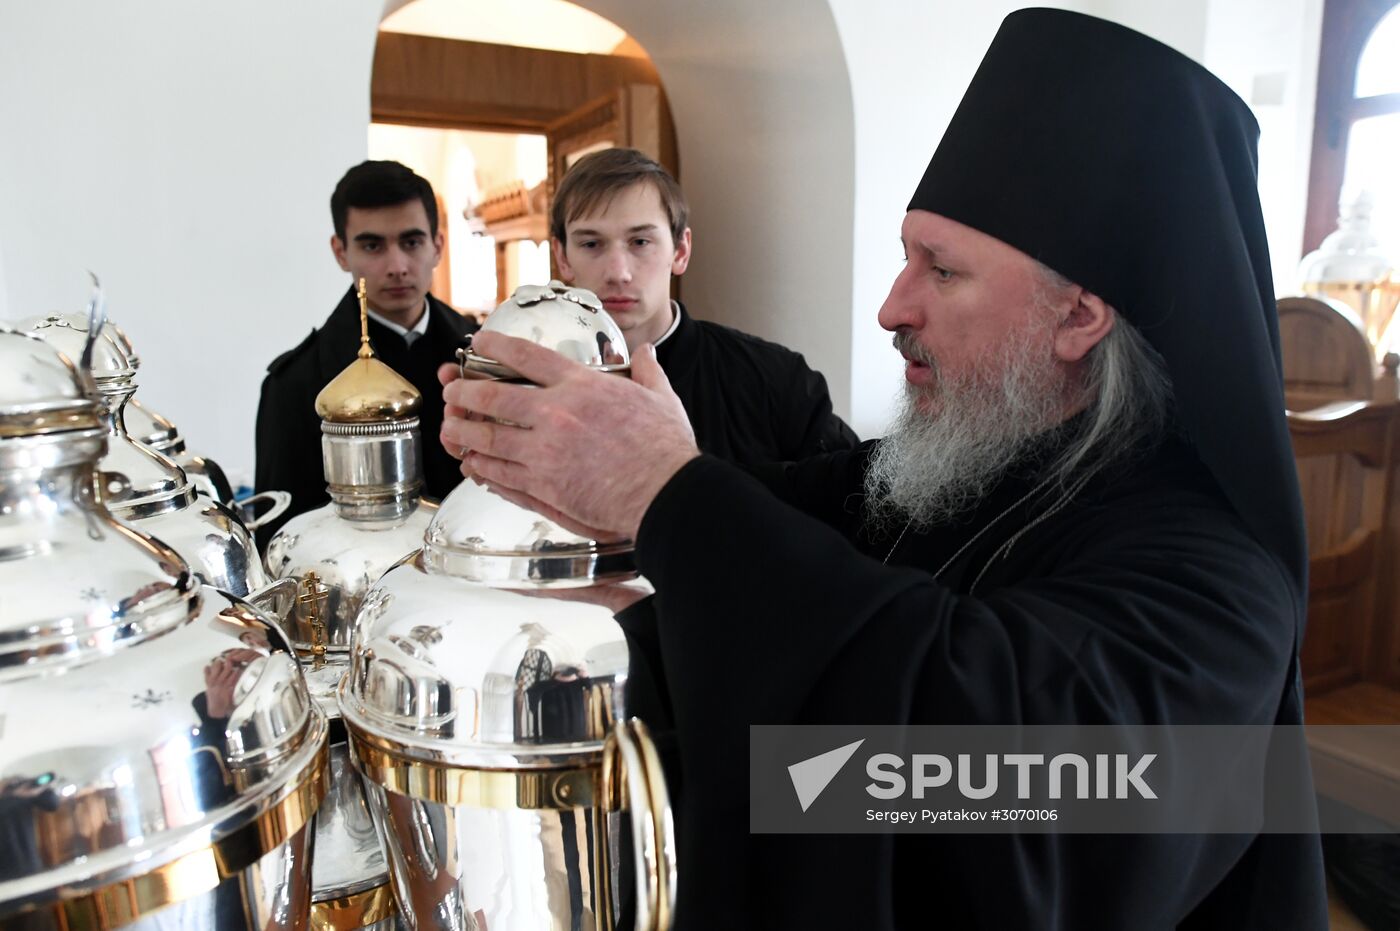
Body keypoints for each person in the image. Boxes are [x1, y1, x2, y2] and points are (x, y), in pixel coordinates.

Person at [439, 10, 1326, 929]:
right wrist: (587, 480)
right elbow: (781, 518)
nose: (892, 307)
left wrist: (666, 490)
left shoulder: (1221, 587)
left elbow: (990, 789)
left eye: (940, 270)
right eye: (906, 257)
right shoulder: (962, 465)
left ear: (1079, 319)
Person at [546, 146, 857, 464]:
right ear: (562, 257)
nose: (617, 273)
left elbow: (852, 504)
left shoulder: (777, 383)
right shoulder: (529, 386)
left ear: (680, 250)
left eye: (640, 242)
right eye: (591, 244)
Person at [255, 160, 476, 539]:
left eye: (411, 242)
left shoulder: (482, 356)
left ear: (437, 245)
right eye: (372, 245)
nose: (397, 266)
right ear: (341, 252)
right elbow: (281, 539)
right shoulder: (295, 384)